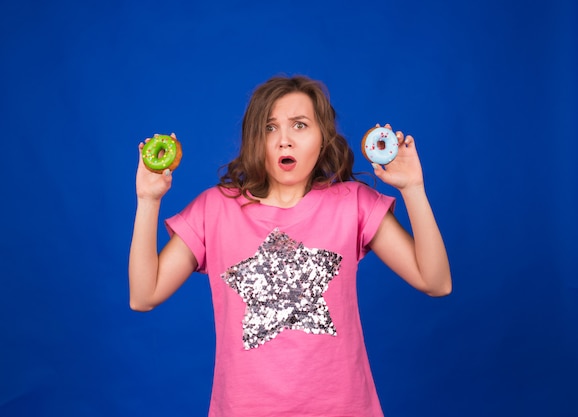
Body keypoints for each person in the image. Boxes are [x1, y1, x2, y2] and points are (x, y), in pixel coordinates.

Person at [128, 75, 451, 417]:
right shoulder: (215, 209)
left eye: (299, 125)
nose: (284, 140)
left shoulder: (352, 204)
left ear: (323, 138)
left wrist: (413, 188)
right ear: (255, 139)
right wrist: (147, 199)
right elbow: (144, 295)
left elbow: (435, 282)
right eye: (270, 128)